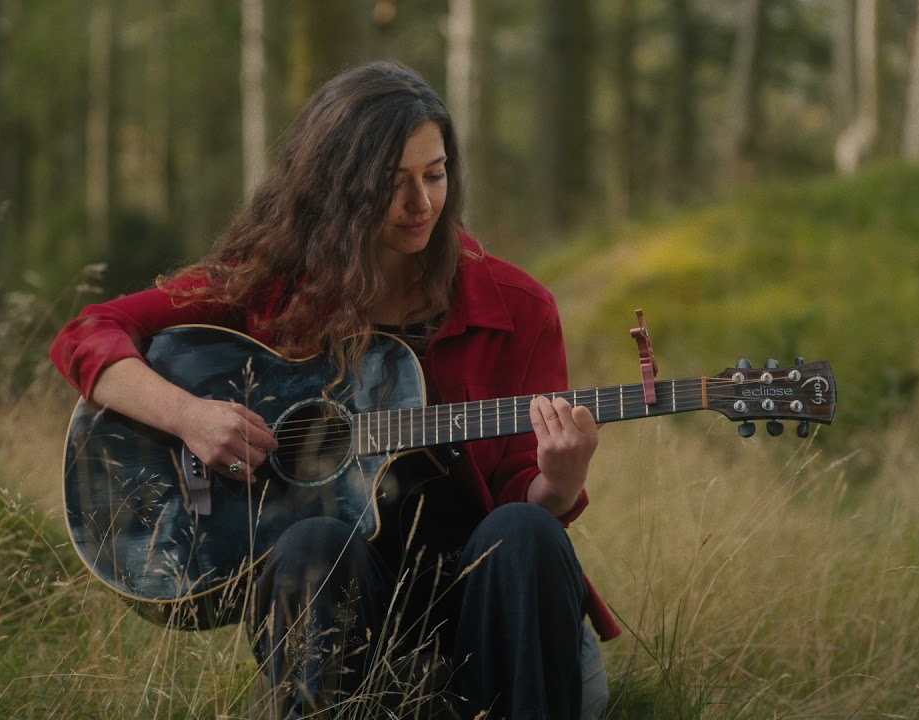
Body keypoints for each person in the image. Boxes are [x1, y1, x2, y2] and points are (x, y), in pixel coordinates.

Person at [50, 60, 619, 719]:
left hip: (494, 622)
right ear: (337, 187)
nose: (422, 204)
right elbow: (90, 332)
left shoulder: (519, 307)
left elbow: (530, 501)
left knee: (525, 528)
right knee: (310, 543)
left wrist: (560, 483)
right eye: (393, 183)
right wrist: (189, 416)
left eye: (434, 175)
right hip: (345, 620)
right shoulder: (270, 284)